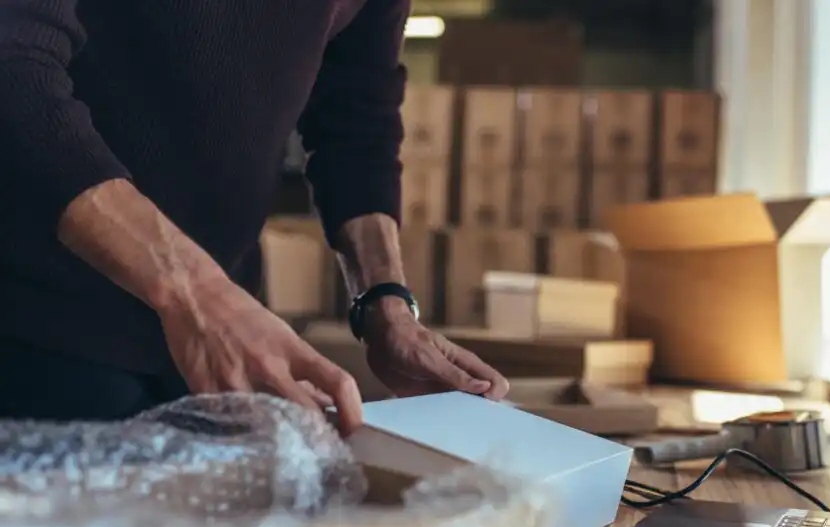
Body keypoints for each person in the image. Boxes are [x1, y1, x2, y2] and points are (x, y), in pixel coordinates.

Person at [0, 0, 509, 433]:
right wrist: (197, 295)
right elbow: (14, 66)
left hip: (224, 340)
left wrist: (385, 302)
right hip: (35, 325)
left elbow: (357, 114)